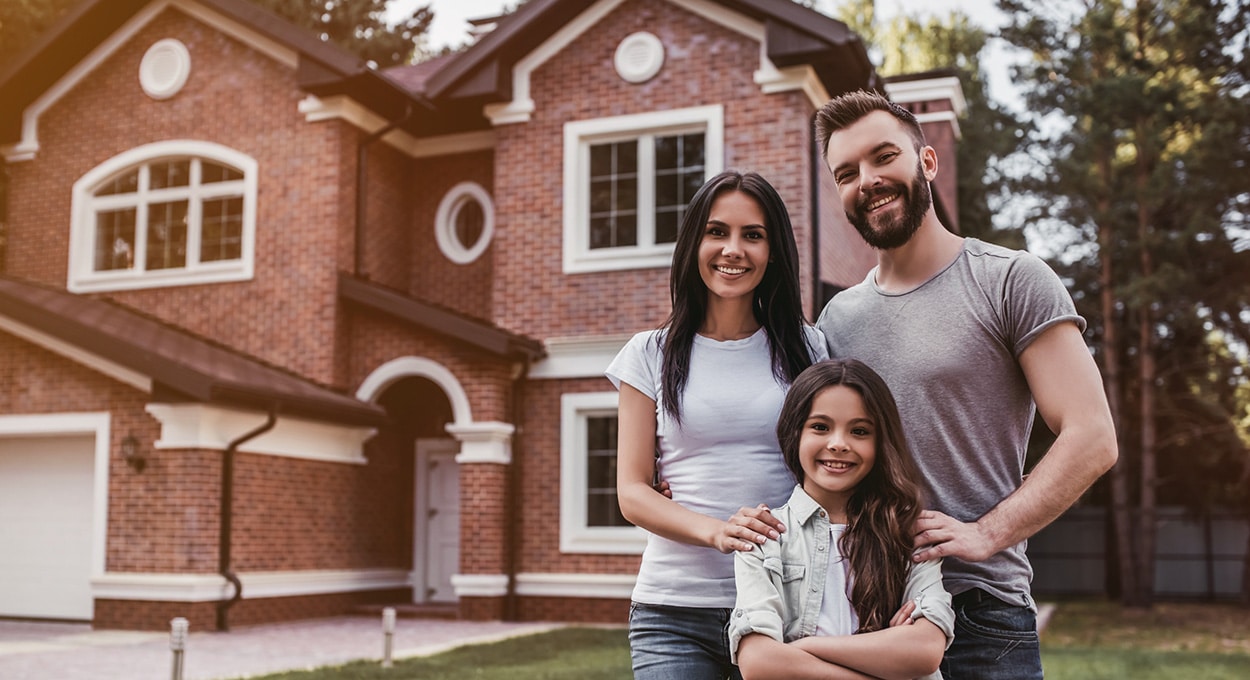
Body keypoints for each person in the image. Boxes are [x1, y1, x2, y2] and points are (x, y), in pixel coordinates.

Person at [802, 90, 1118, 679]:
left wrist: (985, 533)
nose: (866, 180)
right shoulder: (835, 322)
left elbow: (1093, 436)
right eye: (846, 172)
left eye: (882, 157)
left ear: (926, 163)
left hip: (981, 615)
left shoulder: (1010, 280)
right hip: (863, 611)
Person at [607, 169, 827, 680]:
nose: (733, 249)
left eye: (753, 235)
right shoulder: (649, 354)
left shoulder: (808, 348)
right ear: (693, 244)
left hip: (785, 604)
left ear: (773, 251)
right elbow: (632, 492)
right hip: (673, 609)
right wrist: (717, 532)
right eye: (716, 232)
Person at [731, 358, 954, 680]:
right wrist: (883, 654)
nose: (838, 444)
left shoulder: (909, 536)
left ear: (880, 443)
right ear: (795, 433)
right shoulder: (764, 536)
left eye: (860, 431)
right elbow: (759, 663)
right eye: (820, 427)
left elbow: (924, 651)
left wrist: (804, 647)